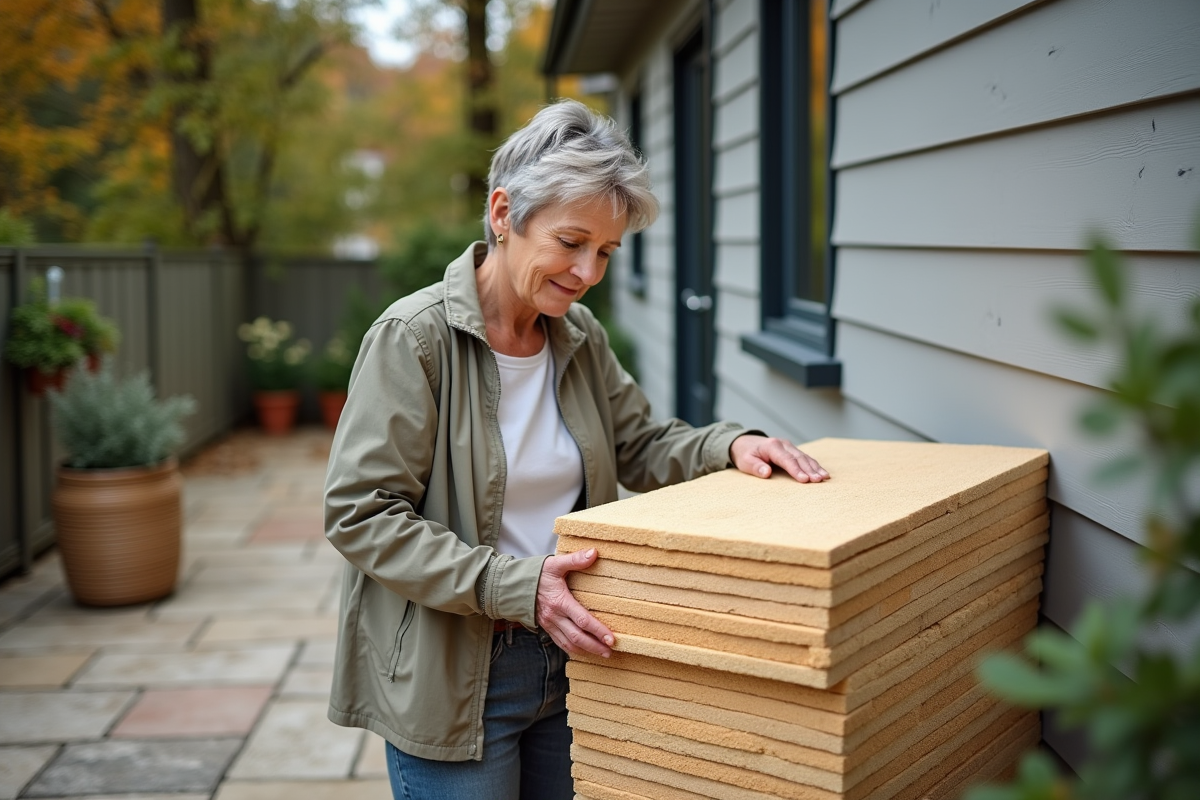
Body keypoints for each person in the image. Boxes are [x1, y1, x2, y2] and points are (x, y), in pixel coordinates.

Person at [323, 99, 829, 800]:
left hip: (572, 650)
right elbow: (361, 514)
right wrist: (516, 586)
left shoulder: (577, 335)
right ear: (504, 215)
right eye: (571, 242)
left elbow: (638, 442)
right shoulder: (415, 339)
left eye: (606, 252)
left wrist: (731, 445)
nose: (588, 270)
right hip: (457, 671)